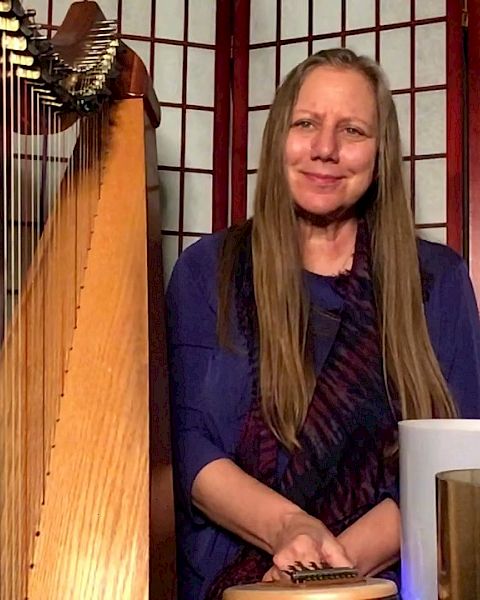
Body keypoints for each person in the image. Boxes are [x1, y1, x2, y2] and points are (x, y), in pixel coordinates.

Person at [166, 48, 480, 600]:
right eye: (306, 123)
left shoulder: (440, 280)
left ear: (381, 154)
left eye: (353, 129)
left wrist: (322, 576)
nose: (326, 149)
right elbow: (188, 446)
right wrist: (289, 528)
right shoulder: (206, 271)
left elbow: (456, 464)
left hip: (378, 585)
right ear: (277, 139)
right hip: (228, 584)